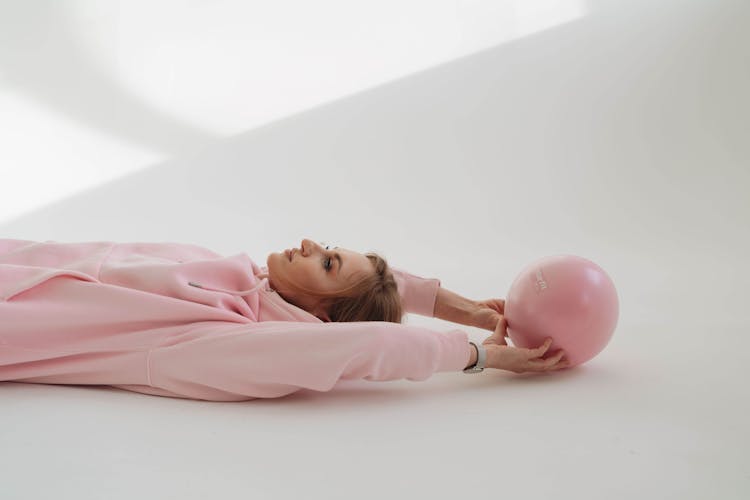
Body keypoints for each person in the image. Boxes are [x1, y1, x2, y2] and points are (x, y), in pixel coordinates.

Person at [0, 238, 569, 402]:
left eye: (326, 262)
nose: (308, 242)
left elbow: (362, 343)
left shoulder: (226, 343)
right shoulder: (242, 274)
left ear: (323, 315)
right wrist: (468, 309)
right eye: (328, 247)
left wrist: (478, 354)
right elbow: (375, 288)